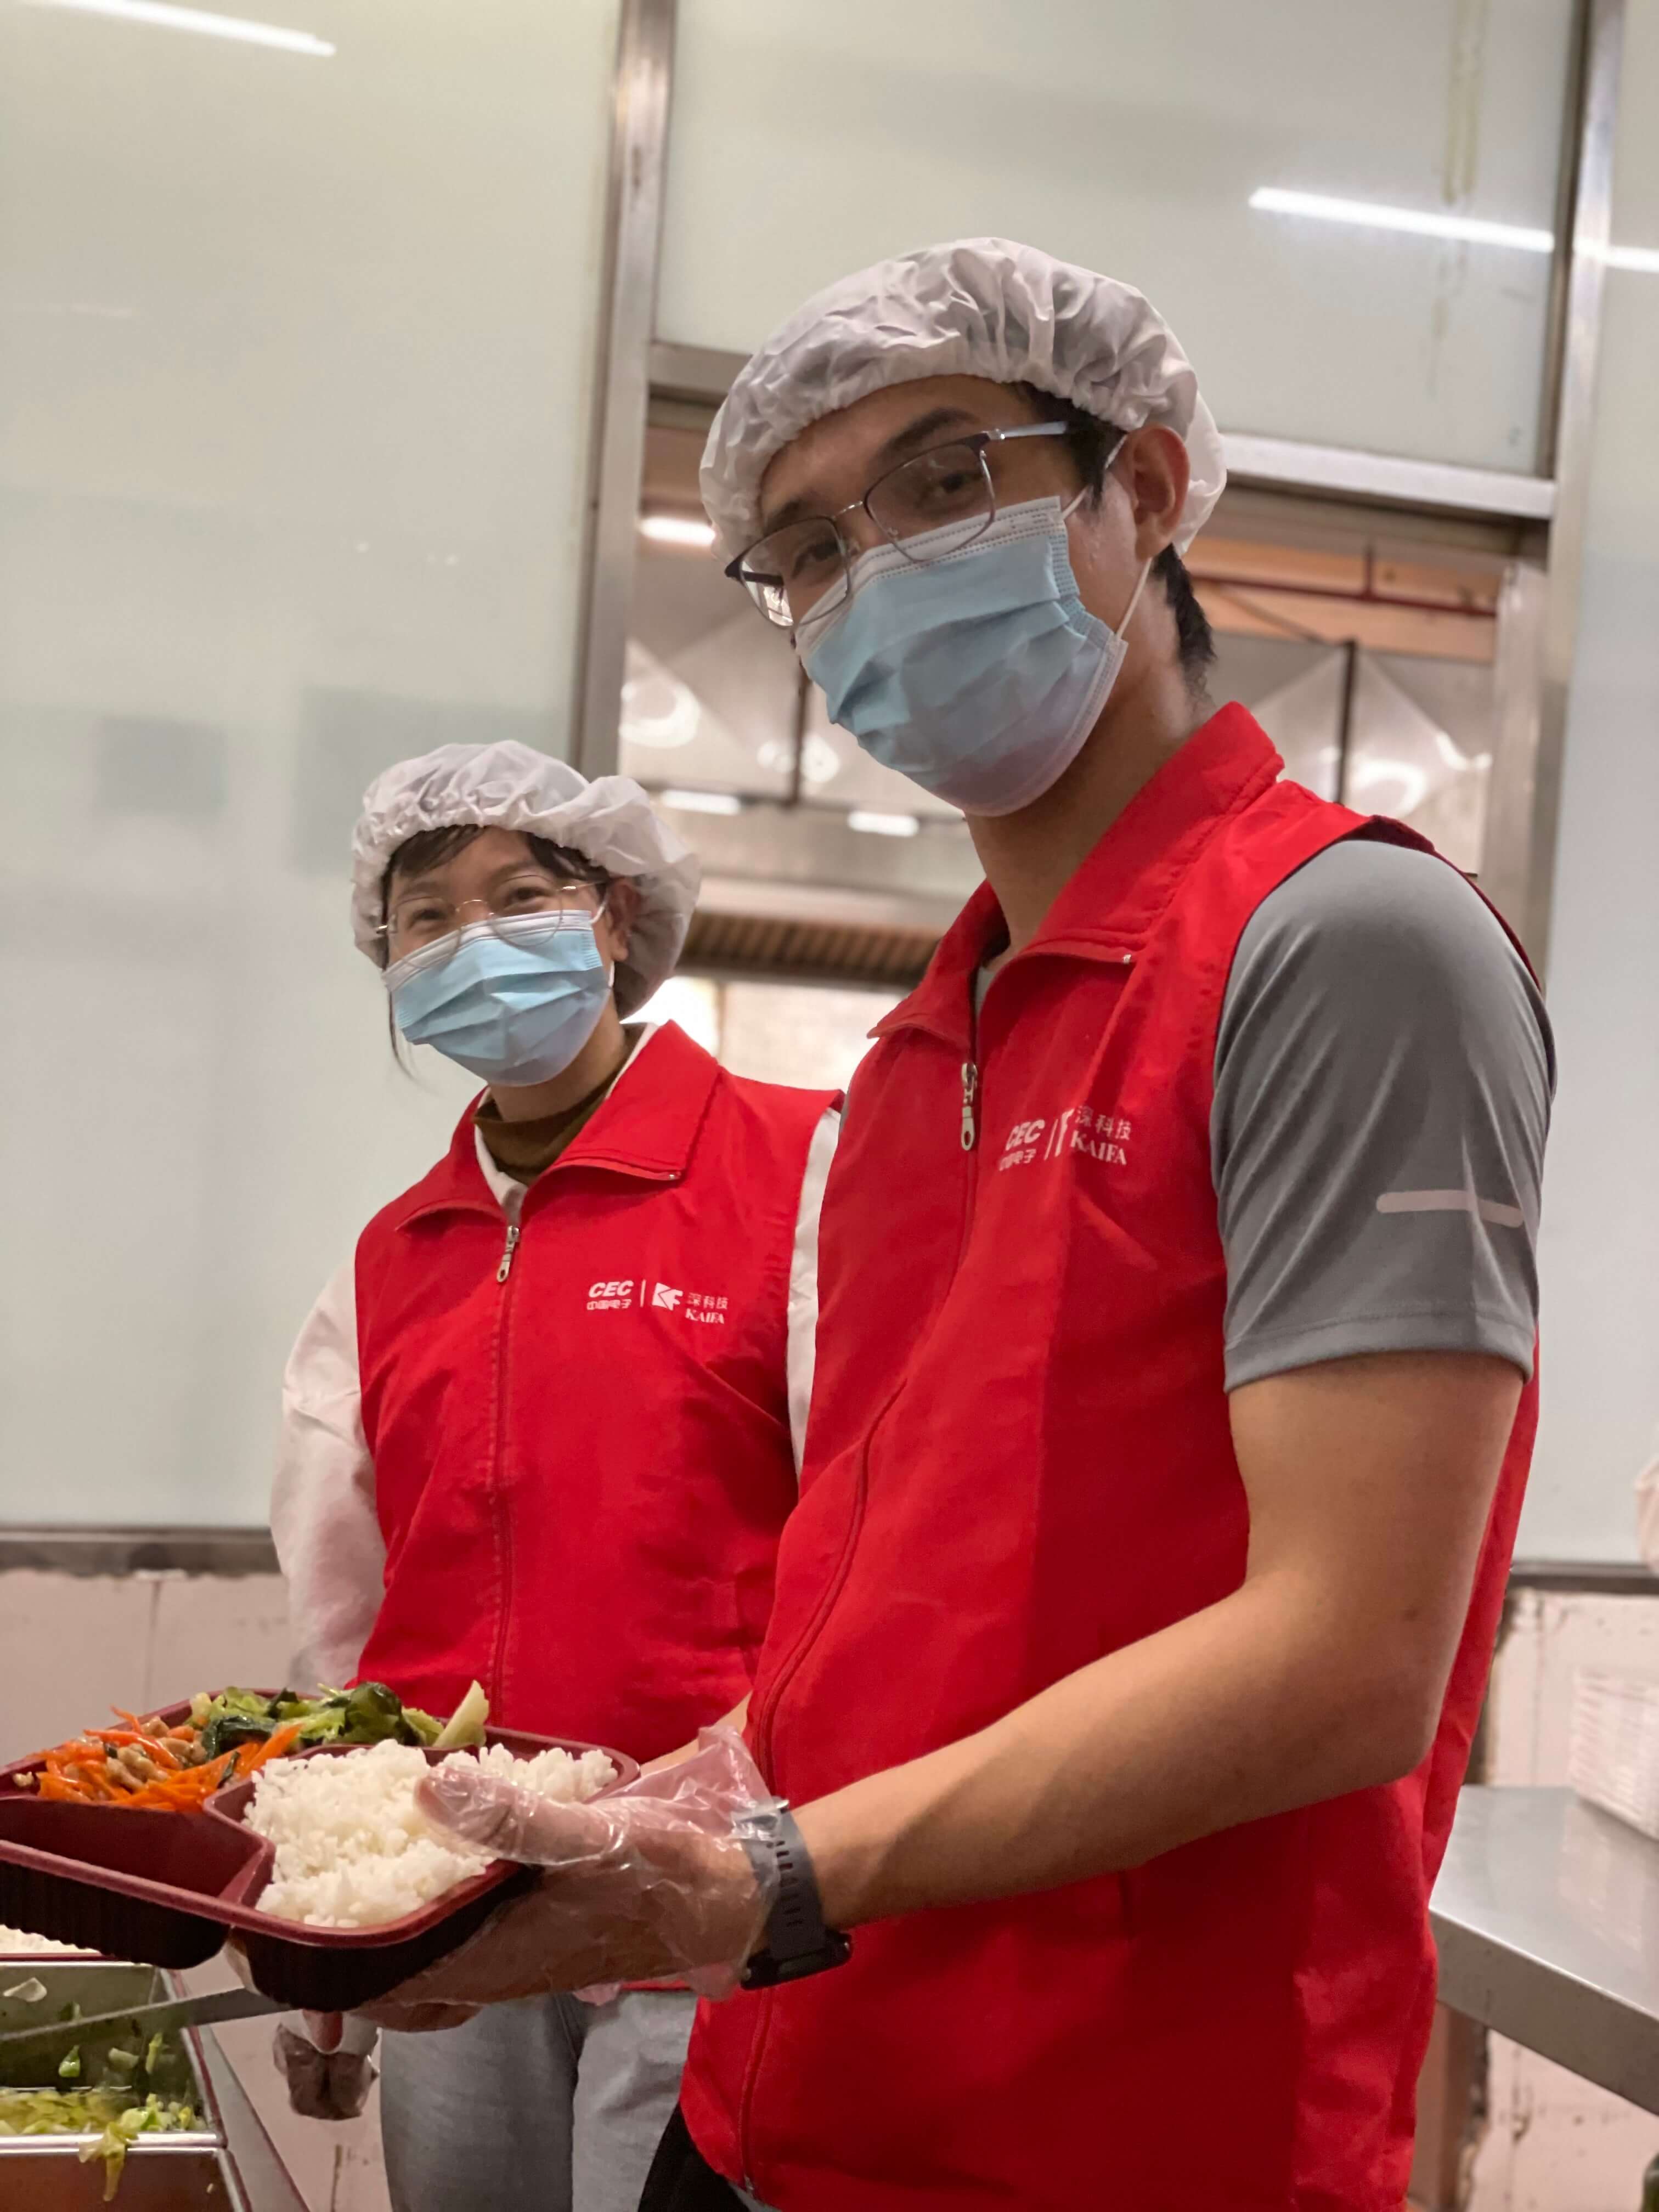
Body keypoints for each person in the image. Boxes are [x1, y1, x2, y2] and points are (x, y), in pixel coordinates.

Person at [355, 244, 1555, 2212]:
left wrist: (766, 1874)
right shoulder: (928, 1050)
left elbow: (1353, 1653)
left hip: (1110, 2130)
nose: (880, 577)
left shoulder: (1341, 946)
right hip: (786, 2093)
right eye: (812, 550)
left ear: (1141, 488)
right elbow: (900, 1594)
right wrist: (680, 1801)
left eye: (942, 483)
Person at [268, 741, 838, 2212]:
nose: (475, 939)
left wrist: (753, 1827)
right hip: (456, 1905)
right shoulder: (391, 1258)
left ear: (615, 912)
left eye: (520, 896)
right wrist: (336, 1943)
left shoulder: (799, 1171)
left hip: (703, 1896)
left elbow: (878, 1538)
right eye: (428, 918)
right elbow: (342, 1628)